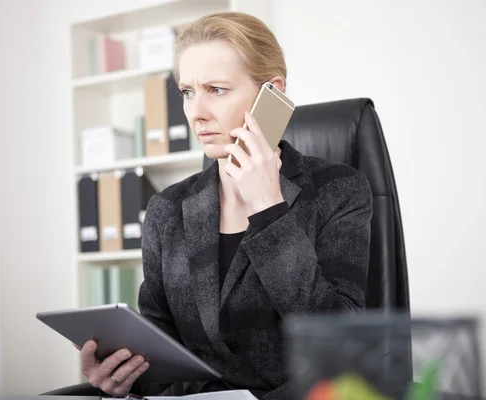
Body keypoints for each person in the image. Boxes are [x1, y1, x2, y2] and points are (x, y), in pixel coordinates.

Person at [79, 11, 373, 399]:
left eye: (216, 89)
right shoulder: (168, 209)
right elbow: (161, 351)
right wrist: (124, 377)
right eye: (187, 91)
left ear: (273, 92)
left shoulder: (338, 190)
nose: (196, 113)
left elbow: (339, 346)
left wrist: (269, 210)